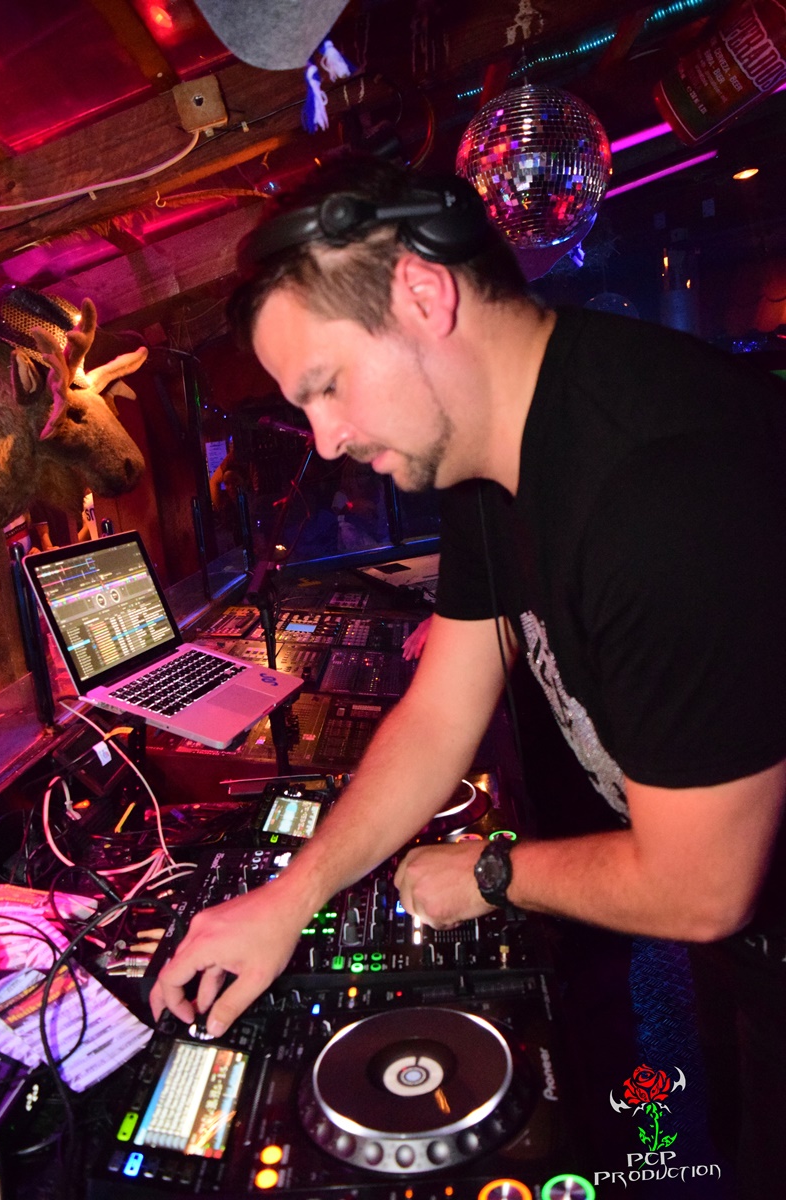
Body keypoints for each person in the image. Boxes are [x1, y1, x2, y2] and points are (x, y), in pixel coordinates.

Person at [151, 156, 786, 1193]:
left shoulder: (660, 487)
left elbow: (700, 888)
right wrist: (292, 896)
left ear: (421, 292)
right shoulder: (496, 457)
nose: (325, 440)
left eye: (326, 387)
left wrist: (489, 871)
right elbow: (440, 707)